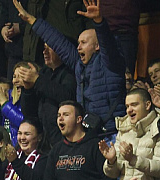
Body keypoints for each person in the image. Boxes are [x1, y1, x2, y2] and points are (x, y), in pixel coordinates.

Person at [13, 0, 125, 136]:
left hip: (113, 133)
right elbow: (59, 43)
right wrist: (32, 20)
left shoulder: (111, 63)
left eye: (83, 43)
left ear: (97, 46)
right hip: (91, 134)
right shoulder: (79, 65)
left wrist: (99, 21)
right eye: (78, 43)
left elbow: (108, 44)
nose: (78, 47)